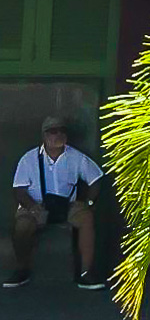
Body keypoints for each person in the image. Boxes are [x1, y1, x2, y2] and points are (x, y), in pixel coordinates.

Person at [6, 116, 105, 289]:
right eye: (53, 131)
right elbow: (19, 190)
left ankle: (86, 273)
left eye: (62, 131)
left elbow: (96, 178)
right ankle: (22, 269)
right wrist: (32, 207)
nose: (58, 135)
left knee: (86, 218)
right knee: (21, 225)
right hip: (37, 206)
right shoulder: (29, 159)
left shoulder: (76, 157)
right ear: (44, 135)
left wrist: (88, 202)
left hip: (66, 206)